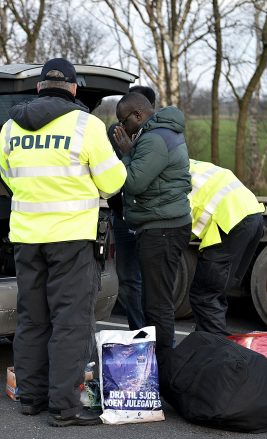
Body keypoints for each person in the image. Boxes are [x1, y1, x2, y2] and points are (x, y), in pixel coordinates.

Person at [0, 58, 127, 427]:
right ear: (73, 89)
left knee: (32, 319)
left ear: (39, 87)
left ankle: (30, 398)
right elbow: (113, 183)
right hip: (71, 238)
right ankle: (65, 407)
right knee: (69, 323)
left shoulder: (10, 127)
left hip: (26, 236)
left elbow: (9, 177)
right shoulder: (87, 126)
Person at [112, 92, 192, 355]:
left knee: (157, 304)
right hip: (163, 226)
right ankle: (158, 360)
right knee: (156, 300)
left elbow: (134, 181)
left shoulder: (154, 139)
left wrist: (126, 153)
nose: (123, 128)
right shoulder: (160, 133)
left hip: (162, 230)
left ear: (138, 115)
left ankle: (164, 366)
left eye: (124, 121)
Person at [188, 159, 265, 336]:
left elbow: (180, 221)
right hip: (253, 215)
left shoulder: (171, 177)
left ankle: (215, 350)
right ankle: (207, 343)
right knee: (215, 291)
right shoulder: (192, 164)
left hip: (231, 223)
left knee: (205, 294)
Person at [106, 84, 156, 329]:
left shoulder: (157, 135)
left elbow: (145, 174)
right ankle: (139, 332)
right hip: (122, 215)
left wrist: (131, 151)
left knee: (151, 278)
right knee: (128, 279)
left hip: (150, 218)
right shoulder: (113, 133)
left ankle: (155, 331)